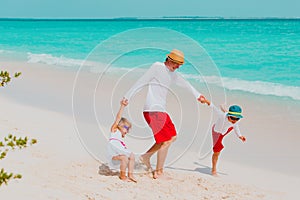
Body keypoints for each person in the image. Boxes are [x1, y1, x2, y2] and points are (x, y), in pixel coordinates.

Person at [124, 49, 204, 179]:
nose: (178, 67)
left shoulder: (172, 74)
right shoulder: (157, 67)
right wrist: (127, 96)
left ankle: (146, 157)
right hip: (152, 110)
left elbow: (186, 84)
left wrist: (198, 95)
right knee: (166, 140)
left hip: (160, 110)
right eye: (177, 64)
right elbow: (142, 81)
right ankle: (159, 171)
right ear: (170, 60)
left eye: (180, 65)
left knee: (172, 137)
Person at [200, 96, 246, 176]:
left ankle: (224, 109)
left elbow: (236, 127)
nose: (235, 121)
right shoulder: (222, 115)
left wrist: (240, 136)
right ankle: (214, 170)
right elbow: (213, 107)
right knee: (216, 151)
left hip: (225, 130)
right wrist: (205, 101)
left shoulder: (234, 122)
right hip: (217, 132)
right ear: (228, 116)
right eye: (232, 118)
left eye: (237, 119)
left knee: (233, 125)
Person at [107, 98, 137, 182]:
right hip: (113, 155)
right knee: (124, 158)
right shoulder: (114, 130)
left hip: (118, 153)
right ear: (120, 125)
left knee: (132, 155)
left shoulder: (120, 139)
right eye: (127, 128)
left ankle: (130, 174)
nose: (128, 131)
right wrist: (122, 106)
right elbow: (118, 117)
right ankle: (123, 176)